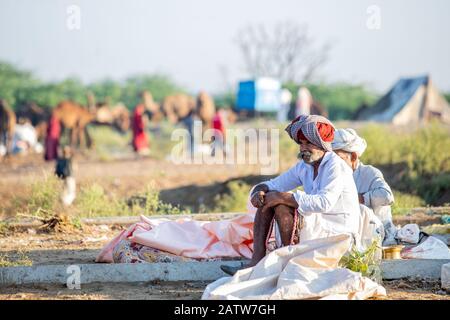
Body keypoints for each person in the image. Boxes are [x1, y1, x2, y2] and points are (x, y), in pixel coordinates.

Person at [221, 115, 361, 275]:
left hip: (338, 233)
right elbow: (275, 184)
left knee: (281, 204)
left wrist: (283, 197)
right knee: (267, 199)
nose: (303, 148)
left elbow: (324, 203)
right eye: (301, 143)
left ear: (322, 144)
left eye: (308, 143)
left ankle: (284, 265)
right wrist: (259, 190)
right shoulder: (305, 166)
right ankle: (256, 263)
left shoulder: (335, 166)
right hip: (318, 227)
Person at [332, 128, 396, 246]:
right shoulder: (334, 175)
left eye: (340, 159)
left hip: (374, 231)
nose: (335, 164)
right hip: (346, 231)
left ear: (354, 157)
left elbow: (387, 196)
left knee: (362, 210)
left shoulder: (369, 173)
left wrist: (358, 198)